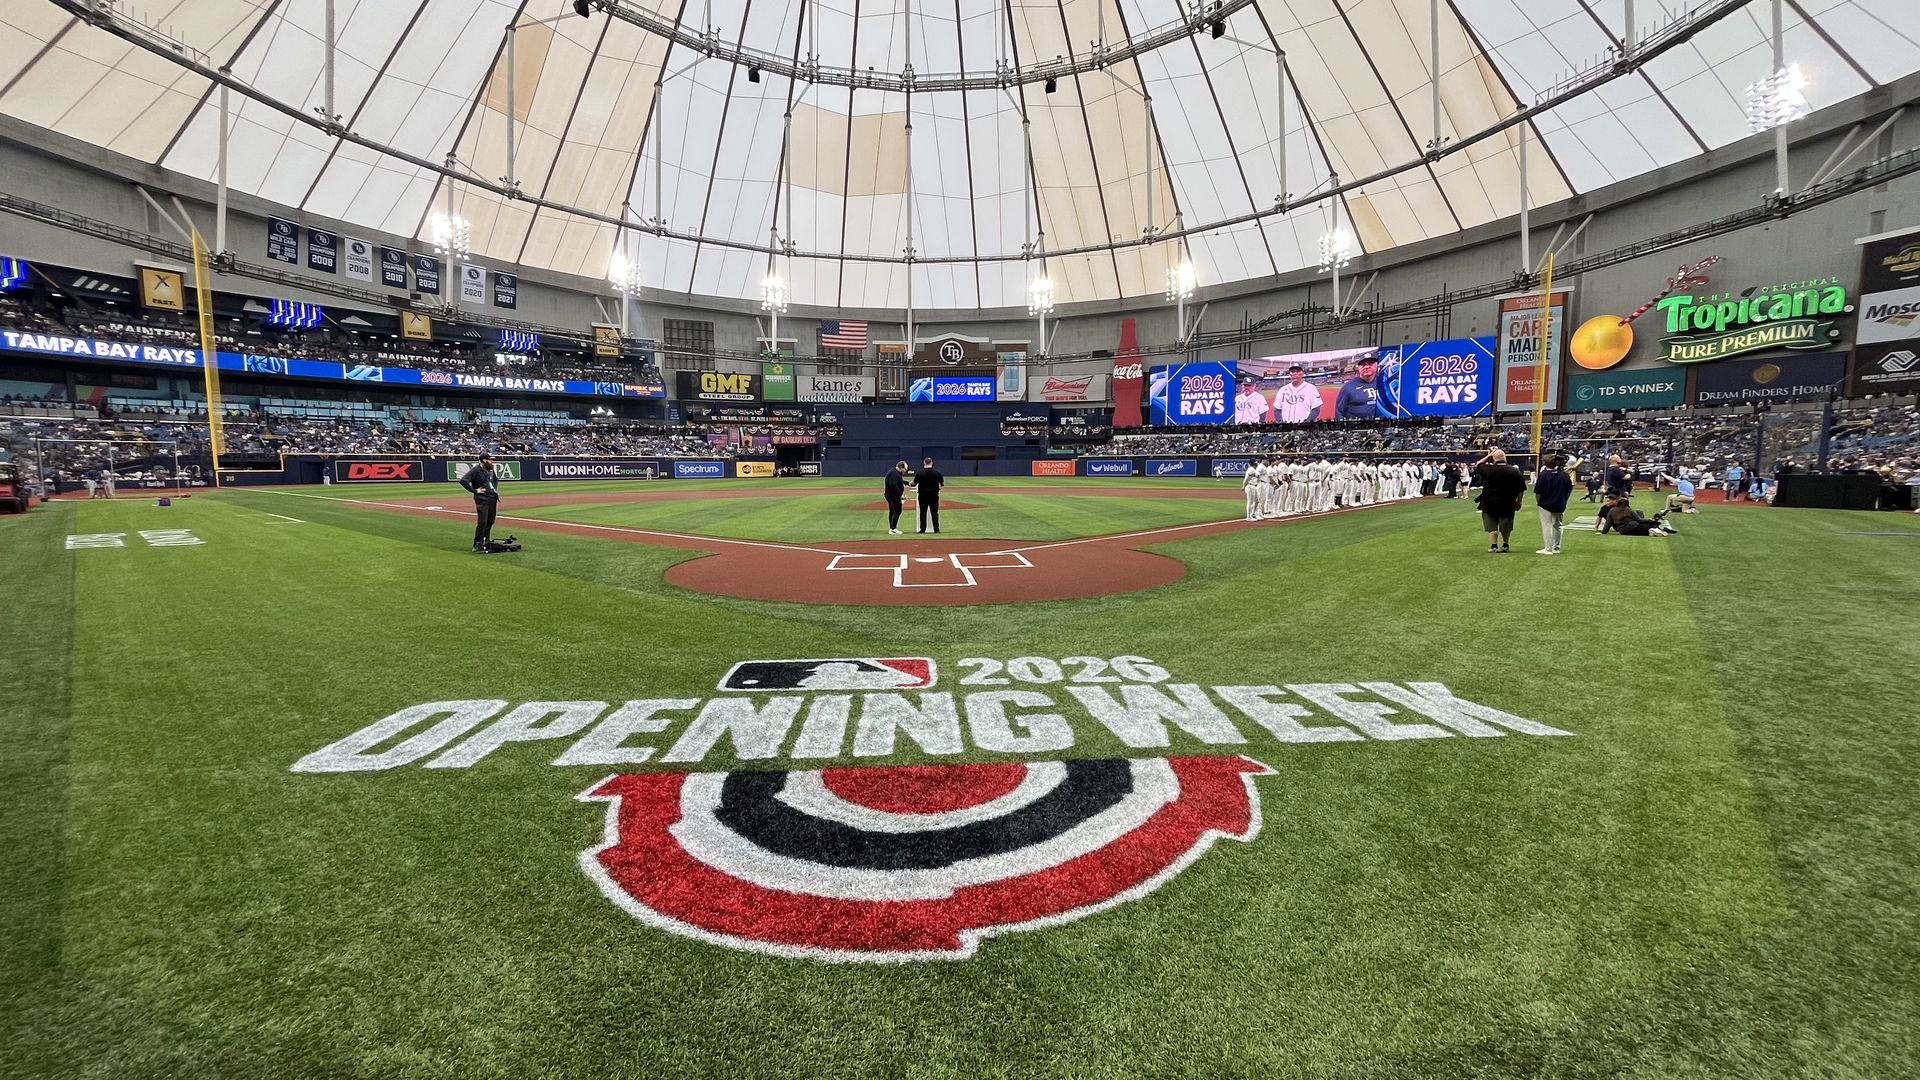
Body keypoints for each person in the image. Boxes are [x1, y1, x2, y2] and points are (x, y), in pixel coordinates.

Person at [1474, 449, 1527, 553]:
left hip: (1489, 502)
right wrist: (1519, 501)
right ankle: (1505, 544)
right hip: (1508, 501)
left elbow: (1478, 464)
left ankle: (1494, 545)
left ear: (1494, 459)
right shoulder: (1514, 470)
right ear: (1505, 458)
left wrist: (1489, 455)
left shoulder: (1487, 469)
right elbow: (1521, 489)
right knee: (1506, 524)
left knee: (1491, 524)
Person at [459, 453, 502, 552]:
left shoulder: (490, 471)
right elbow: (463, 481)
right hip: (482, 499)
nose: (492, 462)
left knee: (490, 521)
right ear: (484, 460)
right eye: (490, 460)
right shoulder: (476, 470)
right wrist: (475, 491)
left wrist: (494, 489)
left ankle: (486, 540)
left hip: (492, 498)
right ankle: (477, 543)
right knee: (483, 521)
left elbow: (495, 480)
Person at [1533, 452, 1572, 555]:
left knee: (1547, 526)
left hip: (1546, 504)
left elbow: (1538, 492)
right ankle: (1556, 547)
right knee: (1558, 526)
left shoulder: (1544, 475)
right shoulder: (1564, 475)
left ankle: (1548, 548)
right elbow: (1569, 490)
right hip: (1560, 503)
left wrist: (1539, 502)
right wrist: (1564, 500)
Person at [1335, 355, 1382, 420]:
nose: (1367, 367)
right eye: (1363, 365)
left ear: (1377, 365)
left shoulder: (1384, 383)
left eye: (1370, 364)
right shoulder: (1348, 387)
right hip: (1357, 427)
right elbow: (1339, 412)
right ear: (1359, 368)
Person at [915, 457, 944, 534]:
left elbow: (914, 483)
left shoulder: (919, 473)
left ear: (924, 463)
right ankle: (936, 529)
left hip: (922, 495)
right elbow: (941, 484)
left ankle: (923, 529)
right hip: (934, 495)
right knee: (934, 512)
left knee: (923, 512)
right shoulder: (937, 473)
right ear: (931, 463)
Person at [883, 460, 908, 535]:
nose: (905, 471)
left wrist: (907, 483)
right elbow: (893, 485)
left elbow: (899, 481)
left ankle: (891, 527)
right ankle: (893, 528)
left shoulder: (893, 471)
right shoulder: (895, 474)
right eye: (905, 469)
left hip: (889, 495)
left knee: (892, 511)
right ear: (901, 467)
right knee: (897, 511)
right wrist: (901, 495)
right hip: (893, 496)